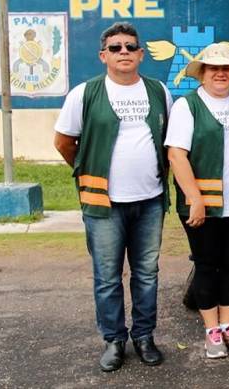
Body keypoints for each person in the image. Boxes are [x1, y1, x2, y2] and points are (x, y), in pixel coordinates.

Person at [53, 22, 172, 372]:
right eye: (116, 47)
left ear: (140, 54)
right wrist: (87, 167)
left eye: (130, 47)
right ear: (103, 55)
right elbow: (64, 141)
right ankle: (114, 340)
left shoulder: (158, 91)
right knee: (107, 277)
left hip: (150, 200)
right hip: (103, 205)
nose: (124, 52)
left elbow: (168, 139)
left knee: (146, 274)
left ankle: (145, 336)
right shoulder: (84, 94)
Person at [165, 42, 229, 359]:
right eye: (214, 68)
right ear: (202, 73)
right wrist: (195, 198)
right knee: (207, 266)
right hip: (202, 204)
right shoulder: (187, 106)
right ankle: (211, 330)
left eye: (227, 68)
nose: (221, 73)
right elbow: (177, 155)